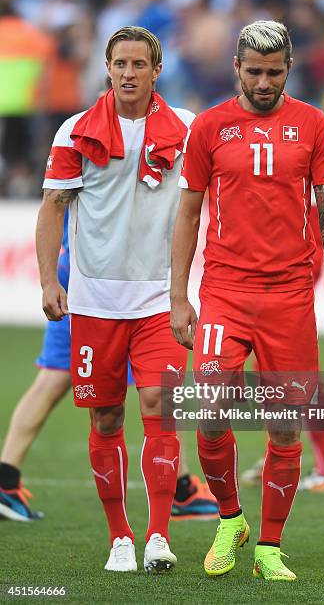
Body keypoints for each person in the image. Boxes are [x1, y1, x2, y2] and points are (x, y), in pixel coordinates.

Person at [170, 20, 324, 581]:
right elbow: (187, 214)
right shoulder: (207, 127)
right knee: (210, 414)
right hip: (224, 292)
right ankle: (230, 519)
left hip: (290, 298)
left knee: (284, 427)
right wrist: (178, 295)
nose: (264, 82)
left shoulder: (315, 125)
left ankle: (269, 547)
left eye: (274, 72)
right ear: (236, 68)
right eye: (254, 71)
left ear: (288, 70)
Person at [36, 25, 195, 574]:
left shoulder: (189, 131)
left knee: (159, 409)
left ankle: (157, 535)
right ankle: (119, 537)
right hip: (94, 302)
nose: (128, 72)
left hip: (159, 301)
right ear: (107, 67)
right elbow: (53, 209)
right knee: (106, 418)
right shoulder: (75, 130)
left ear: (157, 70)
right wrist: (48, 282)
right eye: (119, 63)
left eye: (139, 64)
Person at [0, 215, 218, 523]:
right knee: (159, 385)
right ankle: (180, 490)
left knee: (55, 378)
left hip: (82, 271)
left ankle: (5, 479)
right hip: (107, 281)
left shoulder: (76, 170)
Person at [242, 183, 324, 492]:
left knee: (286, 365)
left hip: (298, 251)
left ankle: (323, 466)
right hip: (283, 246)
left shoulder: (318, 135)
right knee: (269, 362)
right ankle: (279, 452)